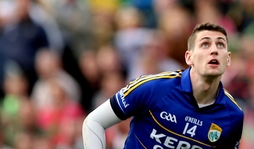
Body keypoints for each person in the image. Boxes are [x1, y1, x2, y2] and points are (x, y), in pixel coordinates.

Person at [81, 22, 244, 149]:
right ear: (189, 57)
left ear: (228, 59)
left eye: (220, 45)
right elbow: (93, 122)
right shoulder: (152, 88)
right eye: (205, 44)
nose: (214, 50)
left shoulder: (233, 115)